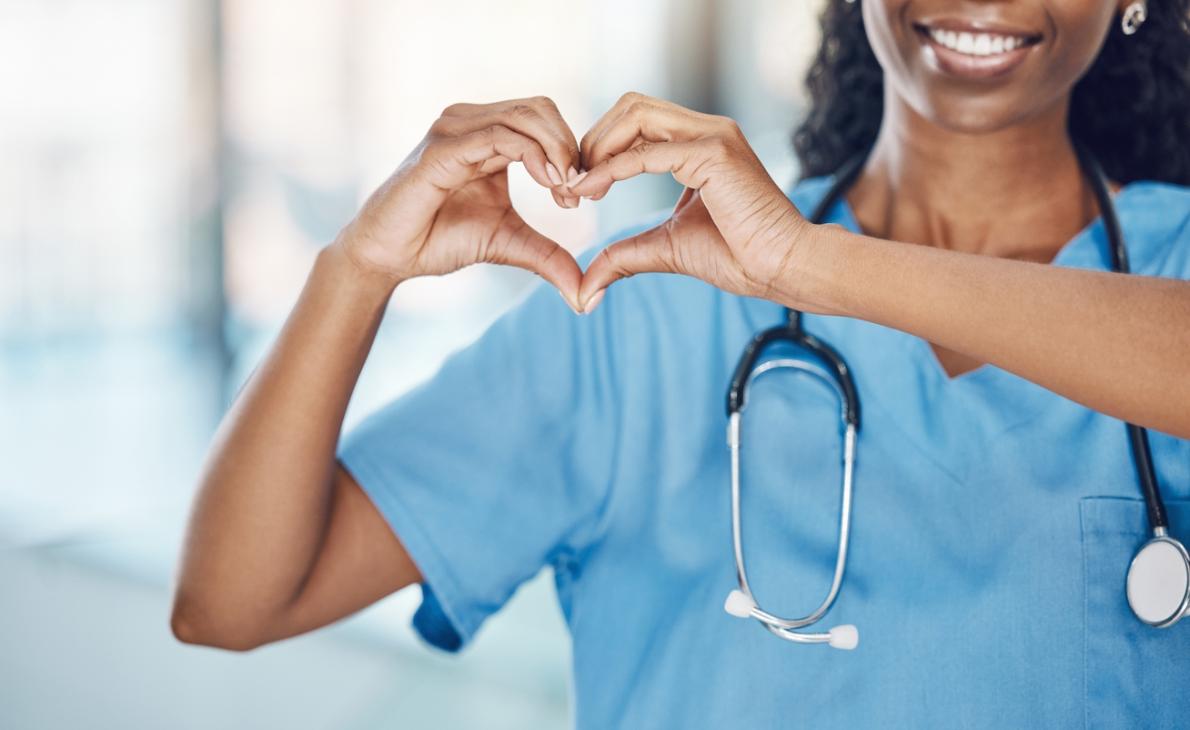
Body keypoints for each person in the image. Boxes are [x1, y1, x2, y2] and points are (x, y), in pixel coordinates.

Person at [171, 0, 1190, 726]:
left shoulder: (1170, 273)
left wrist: (811, 265)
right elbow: (231, 599)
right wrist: (355, 268)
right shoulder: (642, 310)